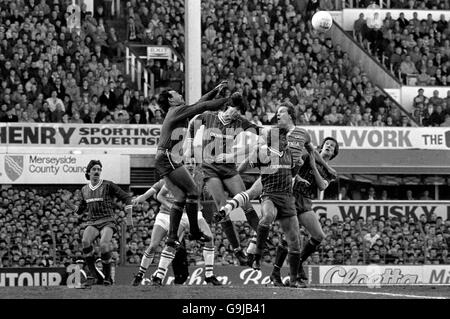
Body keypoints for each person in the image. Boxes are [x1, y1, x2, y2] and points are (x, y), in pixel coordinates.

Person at [217, 103, 336, 263]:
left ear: (291, 115)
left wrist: (326, 167)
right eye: (277, 112)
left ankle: (254, 253)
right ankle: (226, 210)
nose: (278, 114)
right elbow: (256, 140)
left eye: (281, 112)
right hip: (273, 168)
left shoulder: (303, 134)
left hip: (290, 177)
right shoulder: (272, 131)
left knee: (271, 219)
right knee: (253, 193)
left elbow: (313, 152)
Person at [184, 92, 261, 265]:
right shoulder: (209, 116)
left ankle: (262, 236)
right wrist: (188, 146)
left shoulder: (240, 122)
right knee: (221, 208)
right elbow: (191, 124)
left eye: (240, 111)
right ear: (228, 105)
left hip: (229, 167)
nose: (237, 113)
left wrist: (233, 153)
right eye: (236, 109)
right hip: (209, 168)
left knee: (245, 200)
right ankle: (237, 251)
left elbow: (261, 135)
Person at [155, 81, 229, 248]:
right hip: (168, 156)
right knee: (193, 191)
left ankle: (172, 236)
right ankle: (194, 232)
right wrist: (228, 100)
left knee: (181, 197)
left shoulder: (175, 112)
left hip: (164, 157)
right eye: (176, 94)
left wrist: (214, 91)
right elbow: (201, 108)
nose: (180, 95)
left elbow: (198, 104)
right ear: (171, 100)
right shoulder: (176, 110)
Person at [236, 126, 304, 288]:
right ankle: (257, 256)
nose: (285, 141)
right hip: (269, 195)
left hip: (287, 198)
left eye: (286, 138)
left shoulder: (289, 154)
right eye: (282, 139)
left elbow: (291, 174)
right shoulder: (263, 152)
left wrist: (299, 166)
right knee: (267, 217)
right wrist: (252, 155)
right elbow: (241, 169)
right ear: (273, 140)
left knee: (294, 241)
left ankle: (294, 279)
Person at [270, 137, 339, 287]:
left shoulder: (329, 171)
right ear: (321, 147)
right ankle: (276, 274)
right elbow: (290, 169)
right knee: (289, 237)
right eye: (327, 144)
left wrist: (314, 167)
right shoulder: (308, 156)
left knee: (319, 235)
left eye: (332, 146)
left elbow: (322, 186)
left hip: (306, 201)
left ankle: (298, 263)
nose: (329, 146)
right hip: (292, 195)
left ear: (334, 153)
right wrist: (299, 178)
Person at [131, 179, 221, 286]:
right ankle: (142, 274)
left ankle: (208, 274)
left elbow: (206, 192)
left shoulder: (197, 179)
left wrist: (208, 191)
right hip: (167, 215)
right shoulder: (167, 180)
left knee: (208, 238)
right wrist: (142, 197)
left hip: (190, 214)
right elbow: (156, 195)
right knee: (155, 246)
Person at [63, 160, 133, 285]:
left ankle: (107, 277)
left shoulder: (108, 185)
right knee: (85, 241)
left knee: (104, 245)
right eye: (94, 169)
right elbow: (79, 211)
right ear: (89, 172)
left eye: (99, 169)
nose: (97, 171)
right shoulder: (84, 190)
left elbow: (127, 197)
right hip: (93, 221)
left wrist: (129, 216)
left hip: (107, 220)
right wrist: (67, 202)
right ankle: (94, 276)